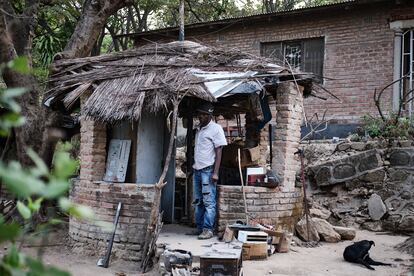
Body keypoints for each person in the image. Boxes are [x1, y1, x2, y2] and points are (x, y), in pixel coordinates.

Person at [192, 102, 227, 239]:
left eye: (203, 114)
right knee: (198, 201)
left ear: (209, 115)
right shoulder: (199, 129)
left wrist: (216, 172)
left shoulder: (216, 129)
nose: (200, 116)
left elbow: (219, 151)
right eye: (199, 114)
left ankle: (208, 229)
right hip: (197, 170)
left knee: (209, 201)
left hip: (208, 170)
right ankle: (200, 228)